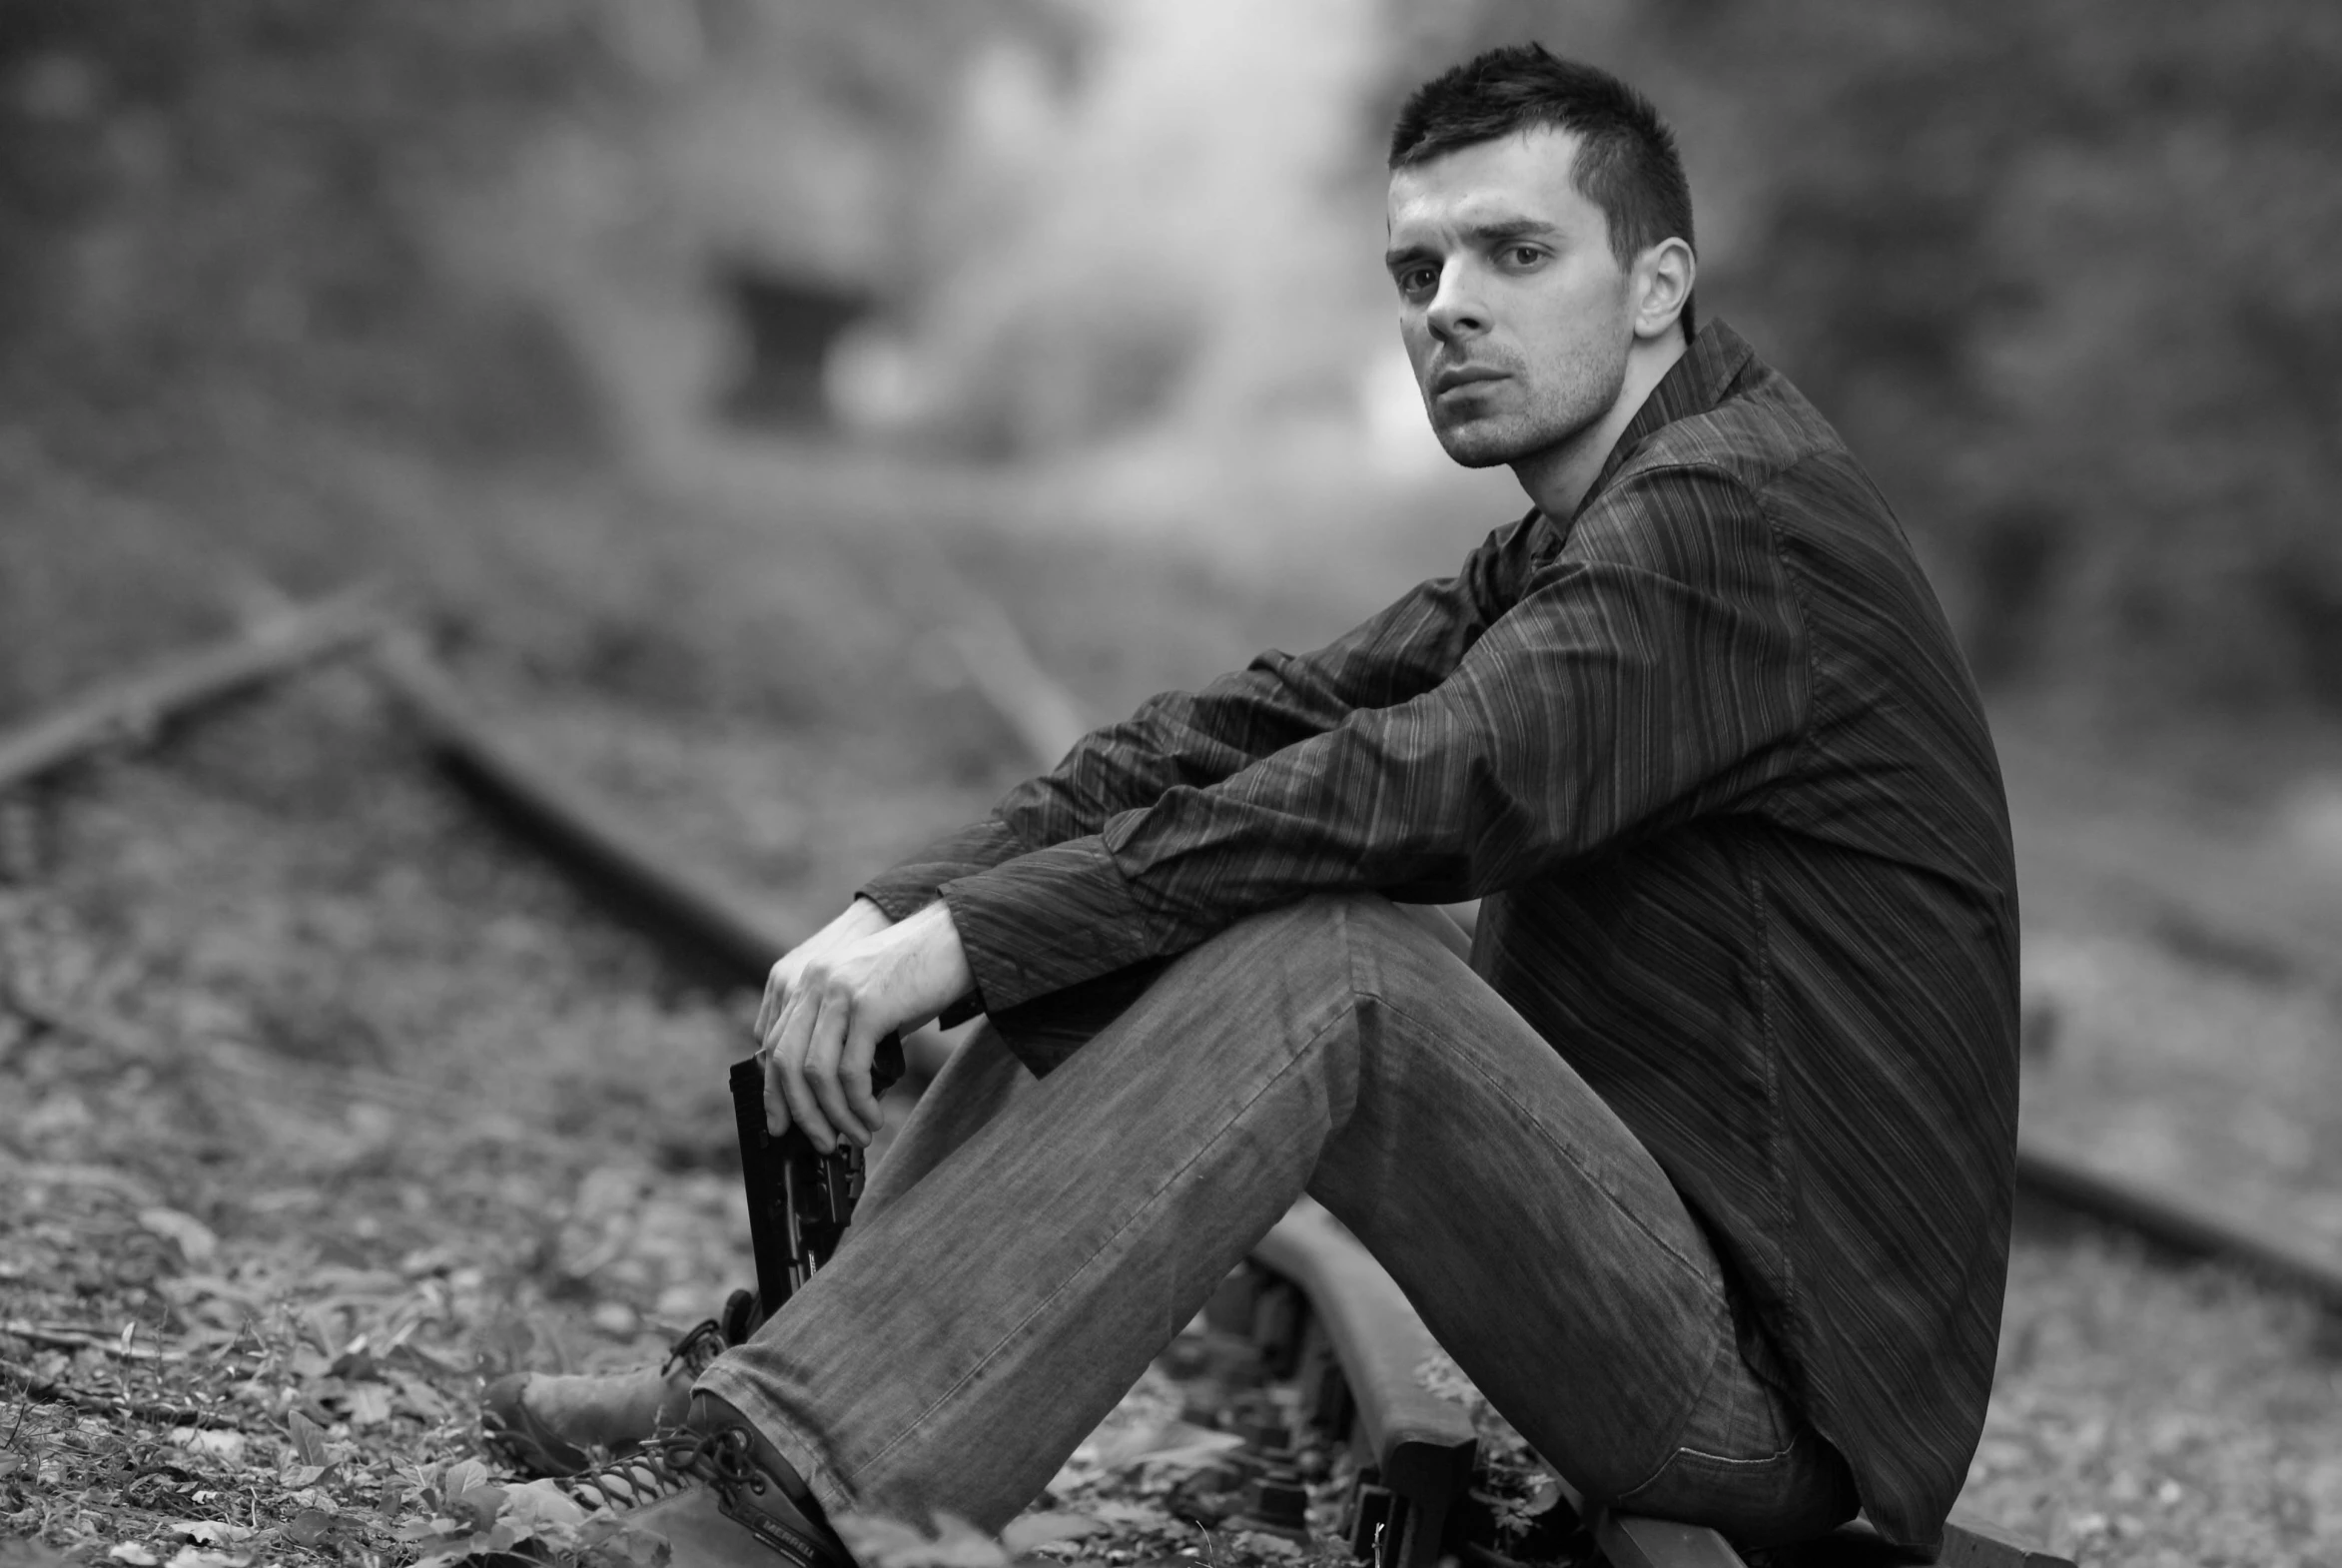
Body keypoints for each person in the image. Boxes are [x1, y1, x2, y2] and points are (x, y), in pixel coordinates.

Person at [503, 43, 2019, 1568]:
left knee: (1327, 955)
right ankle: (800, 1370)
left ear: (1655, 284)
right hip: (1660, 1268)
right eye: (1417, 269)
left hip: (1777, 1405)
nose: (1452, 307)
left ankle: (793, 1499)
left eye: (1516, 252)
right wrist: (920, 901)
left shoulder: (1729, 526)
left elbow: (1427, 780)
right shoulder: (1599, 524)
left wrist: (978, 939)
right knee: (1193, 874)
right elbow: (1265, 724)